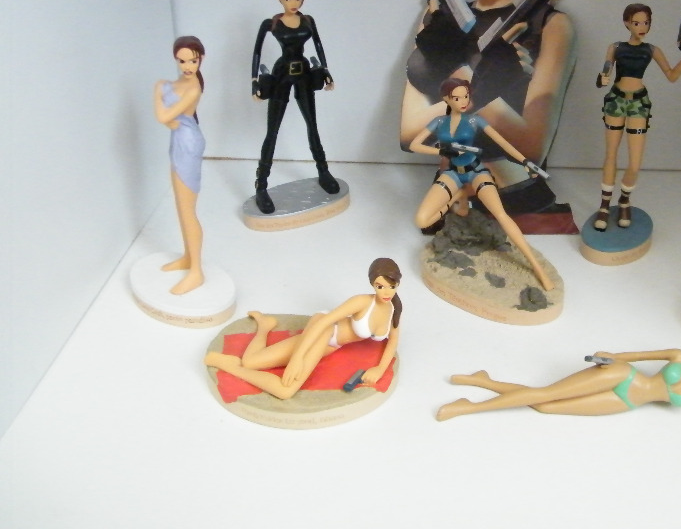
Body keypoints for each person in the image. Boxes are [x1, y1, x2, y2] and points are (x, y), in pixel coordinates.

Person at [401, 0, 576, 213]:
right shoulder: (440, 22)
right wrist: (474, 78)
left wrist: (483, 83)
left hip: (515, 197)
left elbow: (531, 147)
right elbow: (408, 133)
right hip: (451, 193)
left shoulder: (551, 26)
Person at [408, 78, 554, 291]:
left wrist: (525, 162)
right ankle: (458, 196)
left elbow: (502, 143)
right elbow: (414, 144)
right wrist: (442, 151)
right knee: (422, 220)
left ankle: (537, 268)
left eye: (466, 96)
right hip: (453, 174)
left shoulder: (475, 121)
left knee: (501, 215)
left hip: (476, 172)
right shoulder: (439, 122)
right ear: (446, 99)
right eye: (457, 98)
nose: (463, 101)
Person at [204, 259, 402, 399]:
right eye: (380, 286)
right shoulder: (361, 302)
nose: (386, 292)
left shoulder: (394, 308)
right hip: (325, 330)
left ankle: (264, 326)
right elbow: (324, 323)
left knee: (250, 361)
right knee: (285, 390)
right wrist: (297, 359)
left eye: (391, 286)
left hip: (332, 344)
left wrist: (379, 369)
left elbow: (393, 340)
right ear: (372, 284)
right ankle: (230, 365)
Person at [436, 338, 681, 421]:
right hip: (623, 375)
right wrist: (613, 356)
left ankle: (485, 381)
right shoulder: (679, 357)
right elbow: (639, 355)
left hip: (624, 401)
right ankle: (469, 407)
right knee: (545, 393)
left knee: (546, 406)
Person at [593, 3, 681, 230]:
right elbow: (605, 73)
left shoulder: (652, 50)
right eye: (636, 22)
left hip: (639, 103)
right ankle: (604, 205)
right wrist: (601, 79)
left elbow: (671, 76)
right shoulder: (615, 47)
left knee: (635, 162)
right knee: (611, 155)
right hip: (616, 100)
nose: (642, 27)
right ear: (626, 23)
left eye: (646, 22)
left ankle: (624, 200)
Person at [250, 0, 340, 214]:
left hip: (304, 75)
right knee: (273, 130)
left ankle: (323, 171)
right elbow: (257, 52)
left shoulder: (308, 20)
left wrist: (325, 71)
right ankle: (261, 185)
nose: (293, 2)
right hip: (282, 75)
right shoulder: (271, 23)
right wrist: (254, 82)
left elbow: (318, 45)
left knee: (312, 124)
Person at [153, 36, 206, 295]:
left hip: (188, 144)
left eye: (193, 61)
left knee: (187, 210)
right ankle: (187, 257)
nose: (187, 66)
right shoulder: (179, 84)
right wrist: (168, 119)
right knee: (180, 206)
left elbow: (163, 115)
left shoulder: (193, 89)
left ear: (201, 59)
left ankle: (196, 271)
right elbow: (167, 119)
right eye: (182, 61)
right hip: (179, 141)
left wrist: (157, 91)